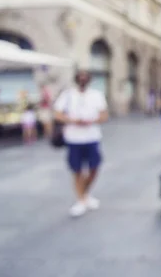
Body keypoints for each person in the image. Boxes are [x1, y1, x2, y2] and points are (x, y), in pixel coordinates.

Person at [54, 70, 109, 217]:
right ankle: (81, 200)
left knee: (94, 168)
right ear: (77, 80)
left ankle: (84, 194)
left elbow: (104, 115)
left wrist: (91, 121)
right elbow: (57, 114)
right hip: (74, 138)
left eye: (85, 78)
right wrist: (73, 121)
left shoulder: (96, 95)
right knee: (77, 170)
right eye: (80, 78)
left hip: (92, 137)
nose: (83, 80)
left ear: (89, 80)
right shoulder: (67, 95)